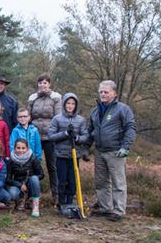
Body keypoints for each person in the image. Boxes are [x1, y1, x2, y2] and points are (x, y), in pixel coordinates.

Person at [88, 80, 135, 222]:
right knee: (101, 182)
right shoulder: (95, 111)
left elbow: (130, 128)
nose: (103, 94)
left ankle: (119, 210)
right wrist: (85, 148)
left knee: (118, 182)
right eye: (101, 91)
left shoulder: (123, 109)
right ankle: (104, 208)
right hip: (99, 151)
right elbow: (91, 131)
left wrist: (125, 147)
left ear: (114, 93)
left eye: (106, 92)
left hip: (116, 151)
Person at [48, 93, 89, 216]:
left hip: (74, 155)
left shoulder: (81, 120)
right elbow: (51, 136)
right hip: (61, 155)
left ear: (76, 105)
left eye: (72, 104)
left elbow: (86, 136)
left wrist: (76, 138)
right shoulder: (57, 119)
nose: (70, 106)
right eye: (68, 103)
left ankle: (70, 203)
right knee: (62, 180)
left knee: (72, 181)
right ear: (64, 104)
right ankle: (61, 204)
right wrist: (65, 134)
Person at [27, 73, 61, 201]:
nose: (42, 85)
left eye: (45, 83)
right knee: (32, 164)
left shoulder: (55, 98)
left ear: (49, 84)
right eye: (40, 83)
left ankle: (56, 194)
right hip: (35, 136)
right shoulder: (33, 98)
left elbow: (58, 117)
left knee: (52, 166)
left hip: (50, 137)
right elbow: (28, 117)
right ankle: (32, 193)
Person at [5, 139, 44, 217]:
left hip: (30, 184)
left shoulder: (33, 158)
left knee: (34, 178)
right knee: (12, 193)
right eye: (18, 148)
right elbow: (8, 179)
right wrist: (20, 185)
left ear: (27, 148)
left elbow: (41, 175)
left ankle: (35, 205)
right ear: (14, 148)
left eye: (23, 148)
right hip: (18, 184)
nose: (21, 150)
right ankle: (21, 201)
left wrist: (30, 180)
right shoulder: (11, 160)